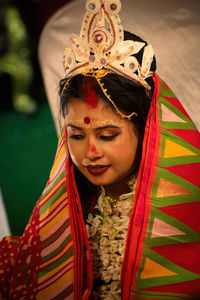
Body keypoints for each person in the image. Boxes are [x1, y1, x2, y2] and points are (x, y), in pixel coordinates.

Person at [0, 1, 200, 299]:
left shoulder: (189, 209)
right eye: (76, 135)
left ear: (147, 129)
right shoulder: (73, 205)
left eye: (107, 135)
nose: (89, 153)